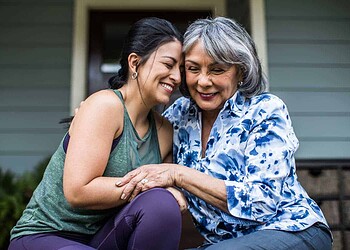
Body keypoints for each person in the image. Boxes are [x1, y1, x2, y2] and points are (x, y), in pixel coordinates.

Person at [116, 17, 333, 249]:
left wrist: (178, 175)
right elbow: (142, 158)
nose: (203, 81)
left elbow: (262, 202)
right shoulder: (178, 115)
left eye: (217, 69)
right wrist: (102, 116)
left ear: (240, 71)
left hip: (292, 230)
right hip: (225, 244)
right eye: (193, 69)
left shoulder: (264, 110)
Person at [8, 17, 186, 250]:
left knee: (162, 204)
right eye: (168, 64)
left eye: (180, 69)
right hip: (45, 236)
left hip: (101, 239)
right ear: (135, 63)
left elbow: (169, 192)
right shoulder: (105, 106)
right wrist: (148, 184)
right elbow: (78, 191)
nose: (177, 77)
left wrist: (169, 189)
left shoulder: (163, 131)